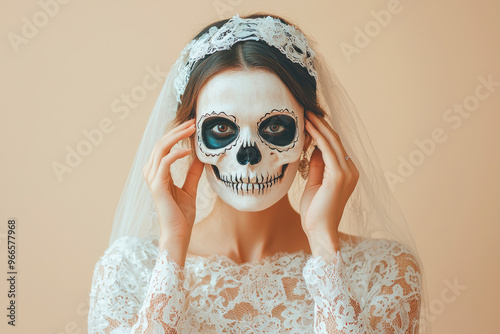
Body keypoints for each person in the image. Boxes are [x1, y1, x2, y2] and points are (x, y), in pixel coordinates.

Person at [88, 12, 429, 333]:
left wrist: (325, 248)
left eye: (276, 126)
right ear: (191, 138)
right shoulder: (127, 271)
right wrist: (173, 249)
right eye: (221, 129)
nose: (248, 156)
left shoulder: (386, 272)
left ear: (310, 135)